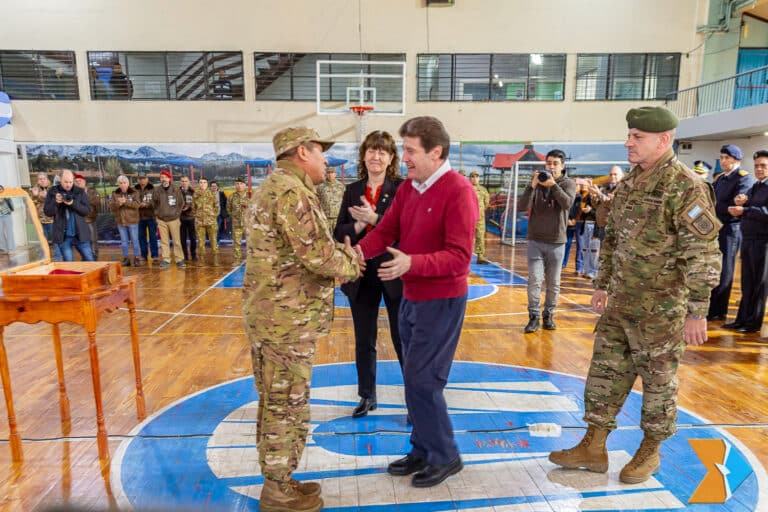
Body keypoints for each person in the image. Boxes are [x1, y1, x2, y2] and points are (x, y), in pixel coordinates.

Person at [548, 106, 721, 484]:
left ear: (663, 140)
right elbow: (612, 241)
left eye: (637, 137)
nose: (628, 142)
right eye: (629, 135)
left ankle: (651, 450)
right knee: (604, 375)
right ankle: (593, 446)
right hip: (619, 305)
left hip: (660, 311)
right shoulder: (628, 184)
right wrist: (602, 284)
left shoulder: (686, 186)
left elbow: (704, 253)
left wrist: (697, 311)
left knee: (658, 383)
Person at [356, 116, 478, 488]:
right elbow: (387, 231)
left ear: (435, 152)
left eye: (410, 150)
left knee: (425, 382)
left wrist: (413, 263)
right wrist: (354, 255)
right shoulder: (411, 188)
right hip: (412, 297)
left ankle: (446, 455)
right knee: (413, 380)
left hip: (441, 301)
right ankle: (422, 448)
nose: (403, 158)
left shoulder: (459, 191)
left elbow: (460, 257)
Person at [243, 126, 360, 511]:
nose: (325, 158)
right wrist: (352, 263)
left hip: (276, 316)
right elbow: (319, 256)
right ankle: (277, 491)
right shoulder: (292, 193)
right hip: (285, 320)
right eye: (320, 151)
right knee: (284, 404)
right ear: (301, 152)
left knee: (278, 400)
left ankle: (283, 479)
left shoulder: (275, 188)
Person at [333, 130, 405, 418]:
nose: (376, 156)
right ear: (364, 156)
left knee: (404, 340)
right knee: (364, 339)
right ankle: (367, 395)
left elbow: (408, 229)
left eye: (382, 151)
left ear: (390, 158)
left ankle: (415, 400)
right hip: (361, 272)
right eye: (371, 151)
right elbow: (339, 231)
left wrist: (375, 219)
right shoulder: (352, 190)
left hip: (394, 271)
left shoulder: (403, 189)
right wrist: (359, 228)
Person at [518, 149, 577, 333]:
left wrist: (553, 185)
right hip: (535, 240)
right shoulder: (537, 183)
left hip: (557, 241)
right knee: (535, 280)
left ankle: (548, 315)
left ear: (562, 166)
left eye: (555, 163)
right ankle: (533, 316)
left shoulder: (568, 183)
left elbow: (567, 204)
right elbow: (521, 207)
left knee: (553, 283)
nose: (551, 167)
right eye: (548, 163)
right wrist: (532, 186)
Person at [709, 144, 754, 323]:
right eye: (721, 157)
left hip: (730, 230)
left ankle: (719, 310)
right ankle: (712, 307)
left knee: (726, 270)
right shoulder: (721, 179)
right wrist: (722, 206)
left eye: (726, 158)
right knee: (715, 268)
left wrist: (722, 207)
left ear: (736, 159)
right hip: (717, 227)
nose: (723, 161)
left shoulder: (743, 178)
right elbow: (711, 200)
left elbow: (736, 207)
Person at [724, 150, 768, 333]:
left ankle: (752, 323)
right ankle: (741, 319)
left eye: (763, 165)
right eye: (757, 165)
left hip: (763, 241)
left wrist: (746, 211)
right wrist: (741, 201)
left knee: (759, 284)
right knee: (747, 282)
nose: (759, 169)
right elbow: (748, 203)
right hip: (749, 239)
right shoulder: (756, 187)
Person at [43, 170, 95, 262]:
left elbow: (87, 211)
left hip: (80, 234)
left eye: (70, 182)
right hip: (63, 236)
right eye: (65, 182)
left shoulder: (79, 191)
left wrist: (72, 203)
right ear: (60, 180)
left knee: (90, 260)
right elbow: (47, 212)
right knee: (68, 264)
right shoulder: (53, 191)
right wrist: (56, 202)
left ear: (73, 180)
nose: (68, 184)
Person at [151, 170, 185, 268]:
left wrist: (177, 214)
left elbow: (181, 203)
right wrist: (157, 214)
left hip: (174, 219)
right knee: (164, 241)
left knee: (177, 241)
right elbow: (154, 204)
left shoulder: (176, 190)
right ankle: (166, 259)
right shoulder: (157, 190)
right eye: (162, 177)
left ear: (169, 178)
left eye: (165, 177)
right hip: (161, 220)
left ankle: (179, 259)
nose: (164, 179)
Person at [109, 175, 142, 267]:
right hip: (121, 222)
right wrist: (118, 203)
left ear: (128, 183)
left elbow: (137, 205)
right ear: (118, 184)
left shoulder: (135, 192)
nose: (123, 185)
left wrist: (125, 202)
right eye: (121, 183)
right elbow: (111, 206)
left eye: (124, 183)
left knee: (135, 240)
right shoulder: (115, 193)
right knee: (124, 242)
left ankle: (136, 258)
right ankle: (126, 259)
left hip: (133, 221)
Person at [29, 172, 59, 259]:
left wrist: (47, 197)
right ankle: (45, 258)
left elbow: (57, 202)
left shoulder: (53, 189)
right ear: (38, 181)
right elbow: (32, 205)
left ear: (47, 179)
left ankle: (58, 258)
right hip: (40, 220)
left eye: (44, 179)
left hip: (52, 219)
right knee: (42, 241)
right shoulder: (34, 190)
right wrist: (35, 196)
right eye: (40, 179)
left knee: (56, 241)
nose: (42, 181)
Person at [193, 177, 219, 266]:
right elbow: (193, 208)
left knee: (214, 241)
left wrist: (212, 216)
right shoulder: (195, 194)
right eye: (201, 182)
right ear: (199, 184)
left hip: (211, 221)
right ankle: (202, 259)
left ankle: (215, 259)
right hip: (199, 222)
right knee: (200, 242)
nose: (202, 184)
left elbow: (216, 206)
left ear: (207, 184)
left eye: (204, 182)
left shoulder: (212, 194)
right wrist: (197, 216)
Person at [74, 173, 100, 259]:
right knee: (81, 240)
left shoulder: (92, 191)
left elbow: (96, 202)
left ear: (84, 182)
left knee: (93, 239)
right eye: (76, 181)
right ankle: (86, 256)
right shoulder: (74, 193)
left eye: (80, 181)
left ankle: (94, 256)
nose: (78, 183)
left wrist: (84, 196)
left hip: (90, 219)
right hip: (79, 220)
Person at [135, 172, 159, 264]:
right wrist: (138, 204)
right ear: (138, 179)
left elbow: (156, 201)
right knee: (141, 237)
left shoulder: (152, 188)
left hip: (151, 216)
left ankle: (155, 256)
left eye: (144, 178)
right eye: (140, 178)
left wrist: (148, 204)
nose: (142, 180)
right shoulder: (134, 189)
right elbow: (132, 200)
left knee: (153, 237)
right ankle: (144, 256)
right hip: (139, 217)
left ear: (147, 179)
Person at [469, 171, 490, 264]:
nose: (474, 178)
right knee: (466, 237)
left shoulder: (483, 190)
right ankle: (464, 256)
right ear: (470, 178)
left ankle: (480, 257)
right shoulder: (465, 188)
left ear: (479, 178)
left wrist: (480, 211)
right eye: (472, 177)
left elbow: (486, 203)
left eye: (476, 177)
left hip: (479, 218)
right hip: (467, 218)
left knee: (480, 236)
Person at [226, 176, 248, 262]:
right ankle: (237, 260)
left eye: (241, 184)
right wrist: (234, 216)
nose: (239, 186)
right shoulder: (231, 196)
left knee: (251, 243)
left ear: (245, 185)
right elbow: (228, 209)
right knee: (236, 243)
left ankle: (251, 261)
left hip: (248, 224)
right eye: (237, 184)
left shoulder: (251, 195)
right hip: (236, 223)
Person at [179, 176, 197, 262]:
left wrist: (189, 207)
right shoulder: (177, 192)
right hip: (181, 218)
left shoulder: (193, 192)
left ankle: (193, 254)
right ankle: (185, 255)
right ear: (180, 182)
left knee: (193, 238)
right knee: (182, 238)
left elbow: (196, 204)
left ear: (189, 182)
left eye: (186, 181)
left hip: (191, 217)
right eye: (182, 181)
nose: (184, 183)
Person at [0, 186, 15, 255]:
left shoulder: (7, 195)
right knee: (0, 233)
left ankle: (11, 249)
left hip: (7, 215)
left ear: (3, 189)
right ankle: (4, 249)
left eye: (1, 189)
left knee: (9, 232)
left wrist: (6, 198)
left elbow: (11, 206)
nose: (0, 190)